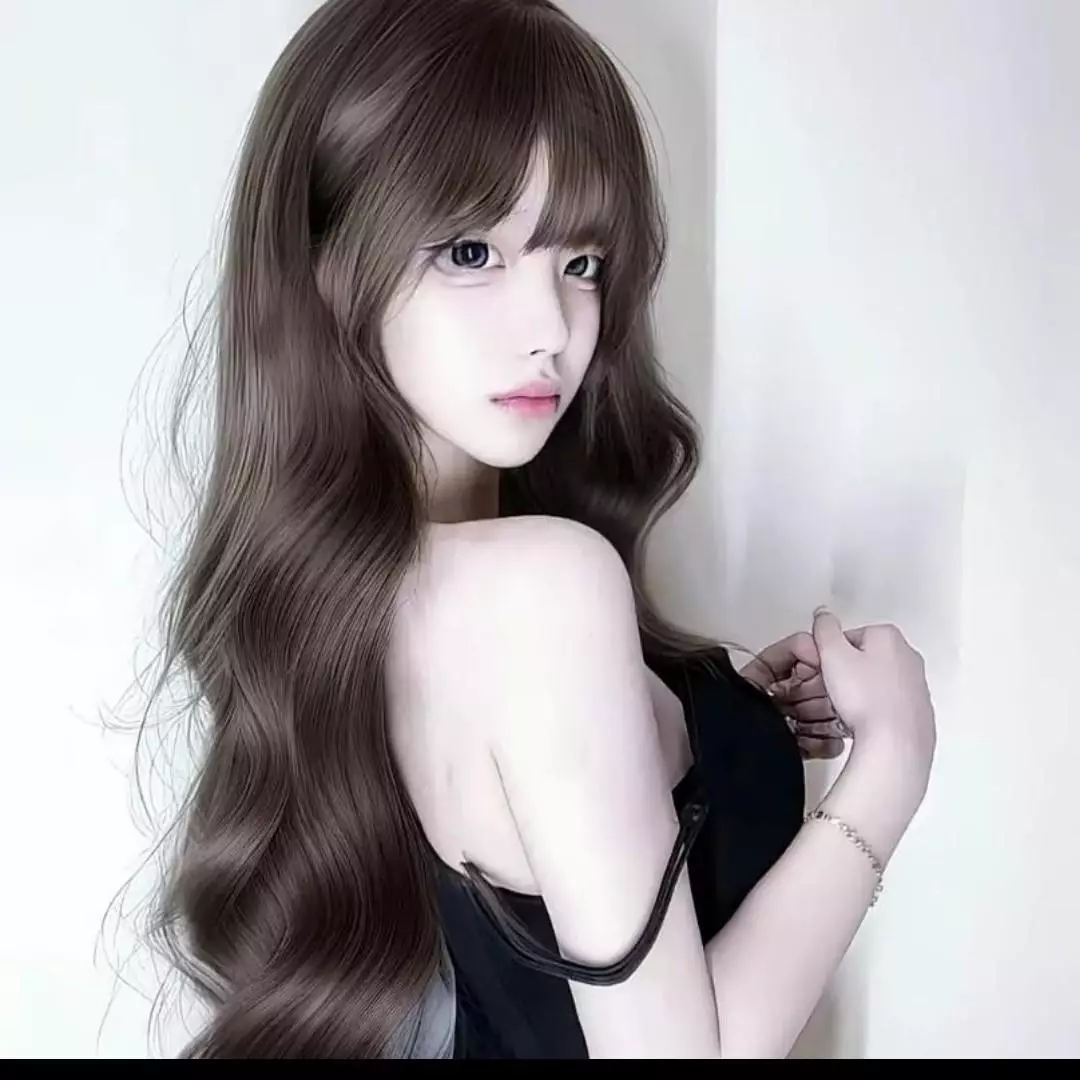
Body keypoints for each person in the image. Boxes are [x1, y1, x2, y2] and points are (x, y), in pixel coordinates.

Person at [131, 0, 937, 1059]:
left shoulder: (356, 593)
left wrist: (709, 716)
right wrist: (891, 769)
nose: (551, 327)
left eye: (581, 261)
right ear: (329, 261)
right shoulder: (534, 589)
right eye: (473, 251)